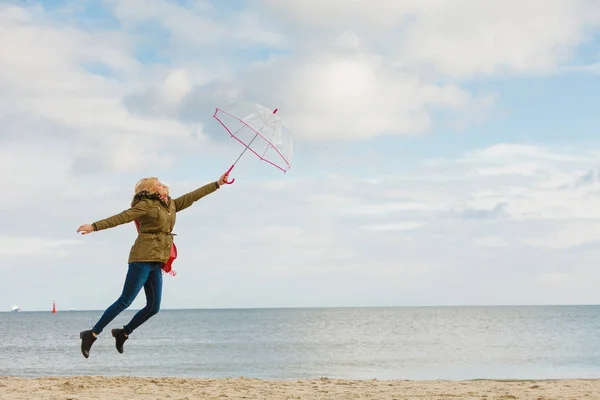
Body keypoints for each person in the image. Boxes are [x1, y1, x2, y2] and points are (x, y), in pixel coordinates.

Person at [76, 173, 229, 358]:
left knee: (153, 307)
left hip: (157, 261)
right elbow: (122, 217)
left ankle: (123, 333)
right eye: (159, 184)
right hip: (141, 258)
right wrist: (94, 226)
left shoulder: (171, 205)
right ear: (150, 189)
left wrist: (217, 184)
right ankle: (91, 334)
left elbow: (193, 196)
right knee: (125, 300)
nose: (164, 185)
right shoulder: (146, 205)